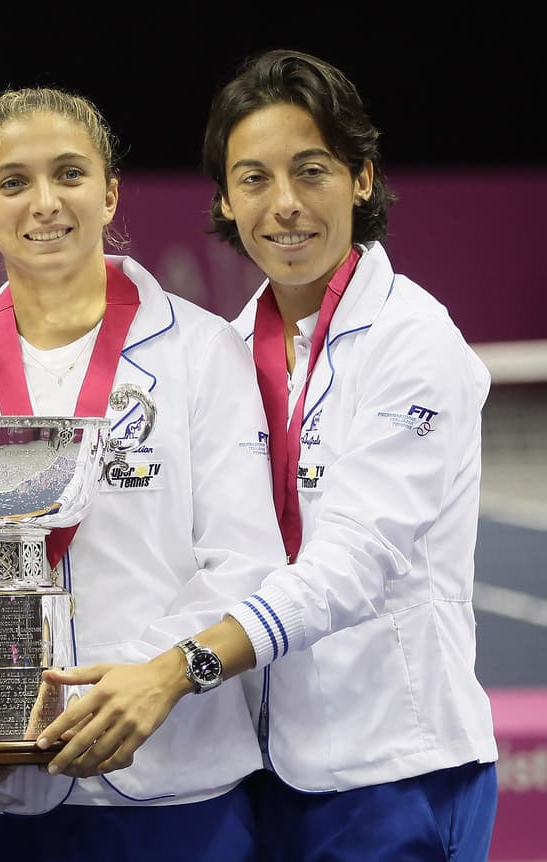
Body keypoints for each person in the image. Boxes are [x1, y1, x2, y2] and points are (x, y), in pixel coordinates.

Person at [38, 50, 500, 861]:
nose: (284, 204)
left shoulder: (413, 340)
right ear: (225, 199)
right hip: (271, 773)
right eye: (253, 179)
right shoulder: (230, 343)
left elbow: (355, 561)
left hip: (395, 770)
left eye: (311, 171)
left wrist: (174, 669)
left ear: (362, 178)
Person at [0, 86, 286, 862]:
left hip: (174, 786)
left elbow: (246, 560)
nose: (45, 202)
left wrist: (138, 680)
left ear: (110, 193)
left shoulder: (202, 350)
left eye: (70, 174)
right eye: (13, 182)